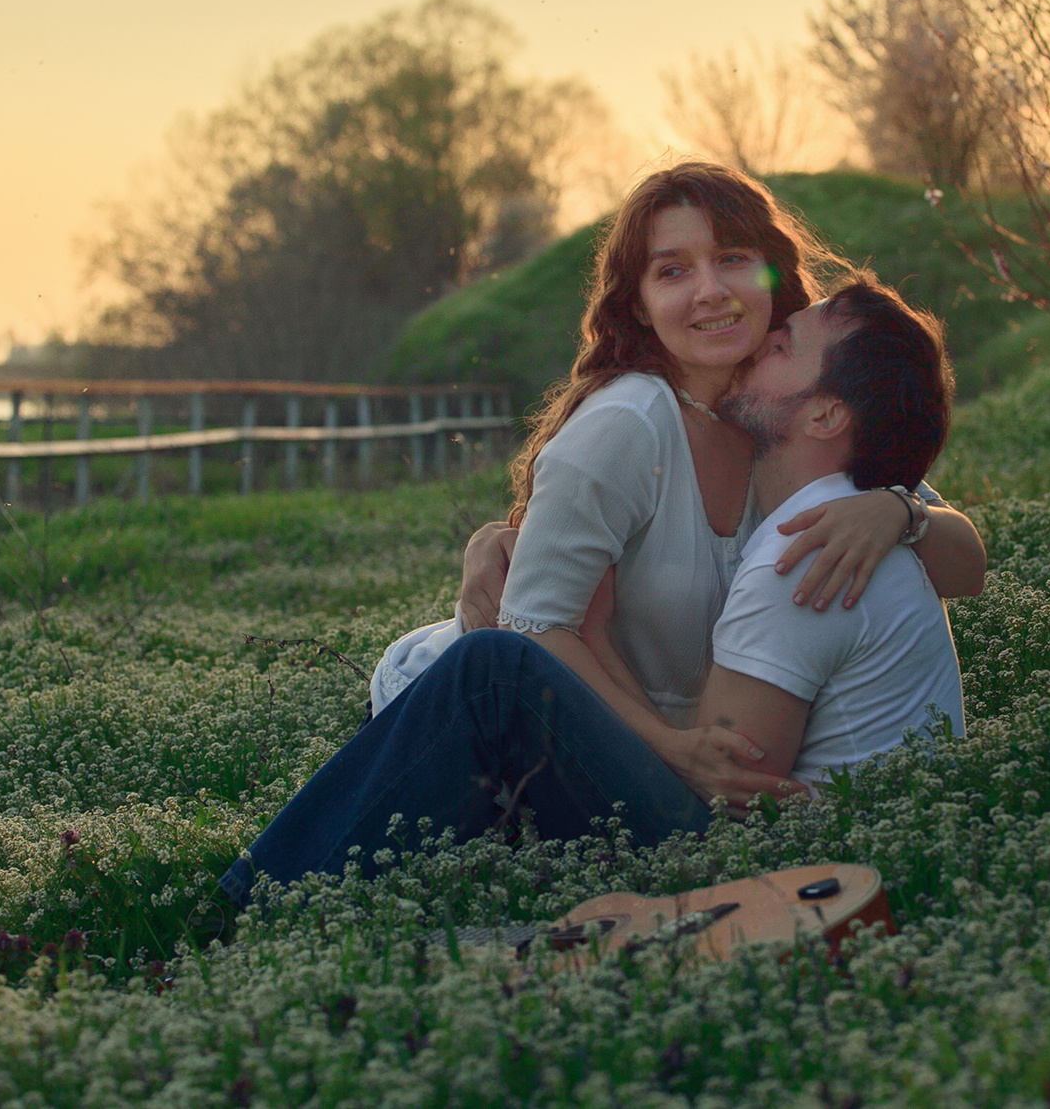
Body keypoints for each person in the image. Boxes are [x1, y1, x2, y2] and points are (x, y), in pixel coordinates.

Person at [216, 278, 963, 909]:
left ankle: (252, 907)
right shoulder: (838, 495)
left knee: (495, 673)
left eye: (781, 345)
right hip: (787, 848)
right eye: (672, 272)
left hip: (754, 869)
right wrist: (902, 510)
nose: (757, 338)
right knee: (488, 668)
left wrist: (906, 511)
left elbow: (731, 783)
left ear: (827, 414)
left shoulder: (813, 548)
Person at [366, 162, 983, 806]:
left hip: (647, 749)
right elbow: (529, 632)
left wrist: (898, 514)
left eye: (733, 258)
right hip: (468, 729)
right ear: (639, 304)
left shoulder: (785, 409)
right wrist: (668, 749)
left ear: (771, 273)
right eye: (673, 271)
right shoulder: (626, 424)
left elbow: (967, 570)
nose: (711, 291)